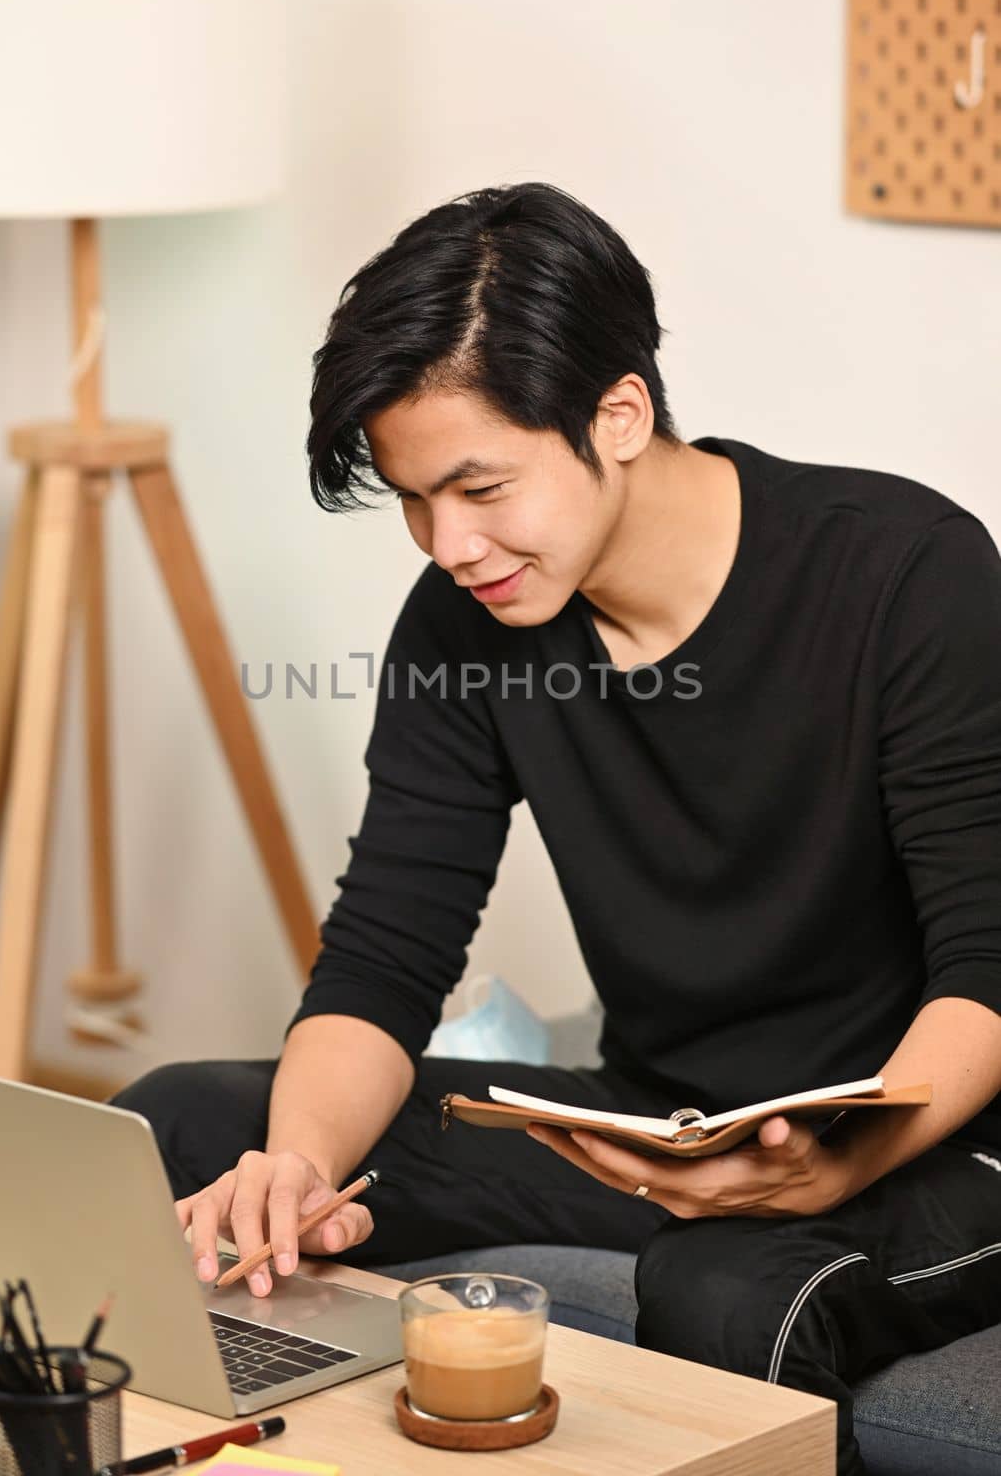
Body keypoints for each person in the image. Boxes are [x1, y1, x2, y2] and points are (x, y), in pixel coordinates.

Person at [112, 182, 1001, 1476]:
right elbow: (386, 952)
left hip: (931, 1136)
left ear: (619, 413)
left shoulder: (904, 576)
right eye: (415, 499)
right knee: (178, 1125)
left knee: (728, 1291)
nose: (448, 543)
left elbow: (992, 967)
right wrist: (295, 1167)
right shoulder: (466, 627)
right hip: (654, 1121)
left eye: (479, 486)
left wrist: (825, 1166)